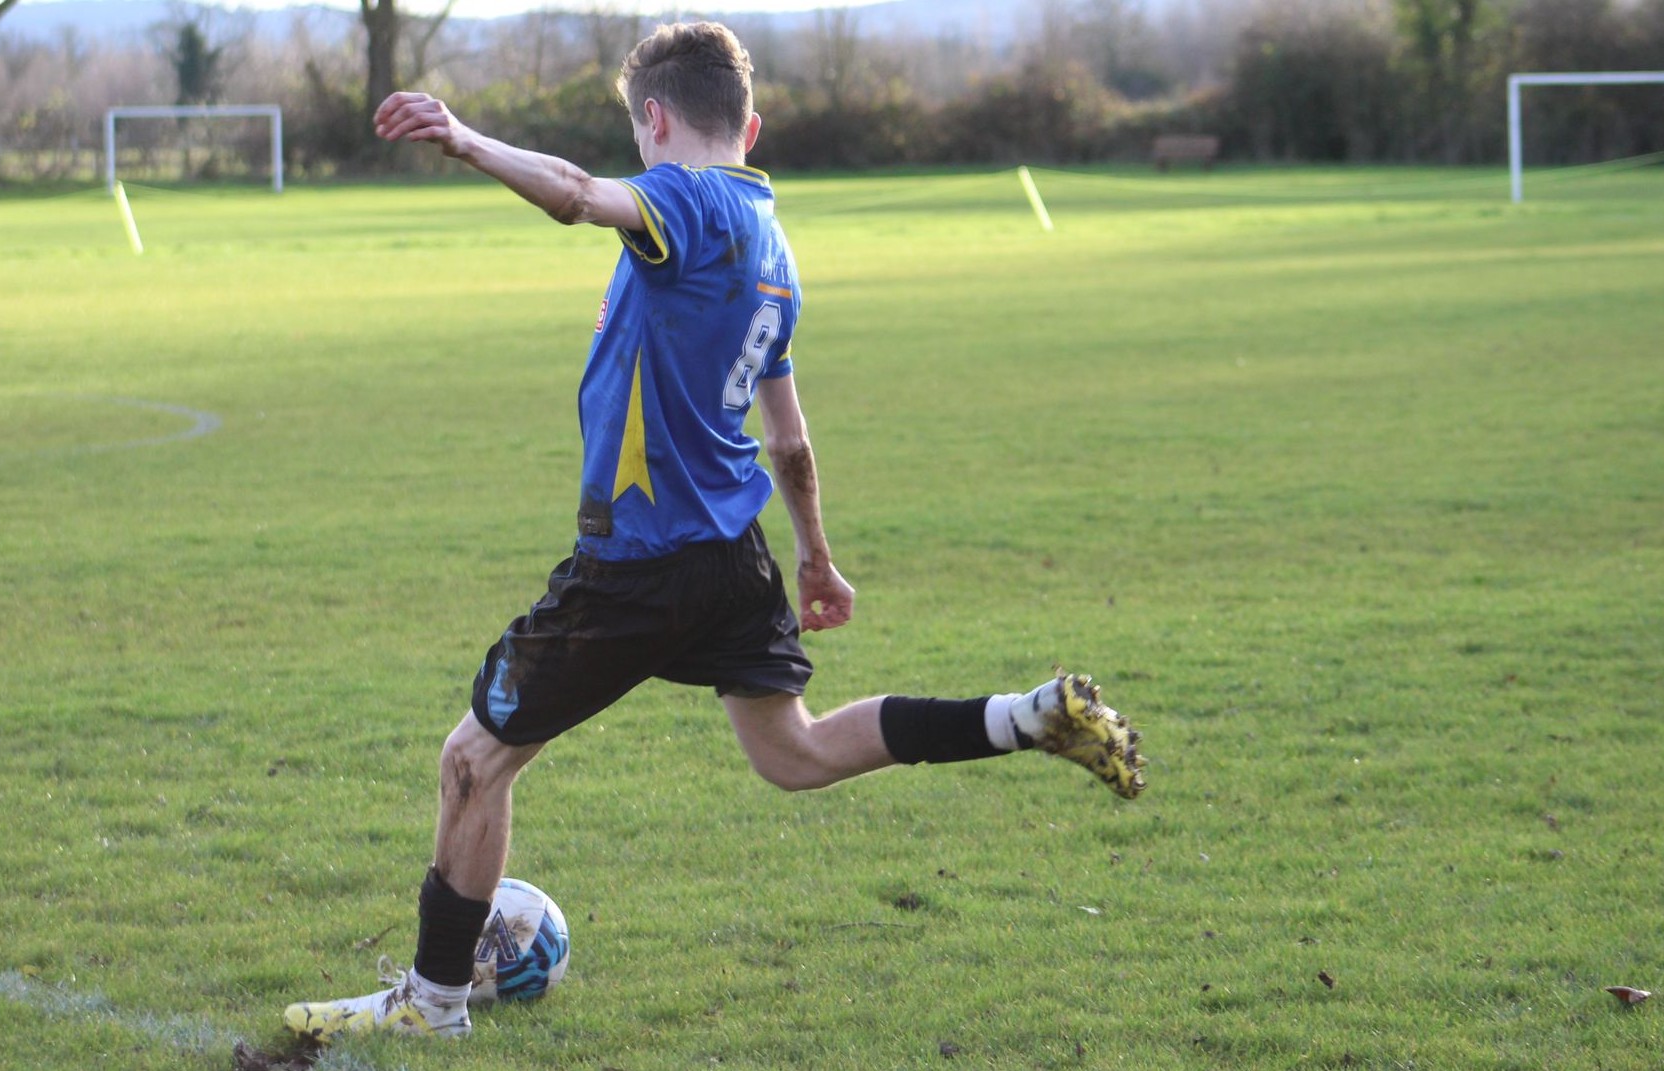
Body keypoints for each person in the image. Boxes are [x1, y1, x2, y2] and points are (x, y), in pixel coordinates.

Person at [283, 21, 1148, 1041]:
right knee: (797, 753)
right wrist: (817, 554)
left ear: (653, 120)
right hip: (734, 560)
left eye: (636, 133)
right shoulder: (774, 249)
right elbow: (790, 439)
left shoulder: (684, 200)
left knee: (475, 759)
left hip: (638, 566)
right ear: (755, 123)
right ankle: (1025, 715)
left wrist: (467, 139)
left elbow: (572, 193)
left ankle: (431, 1006)